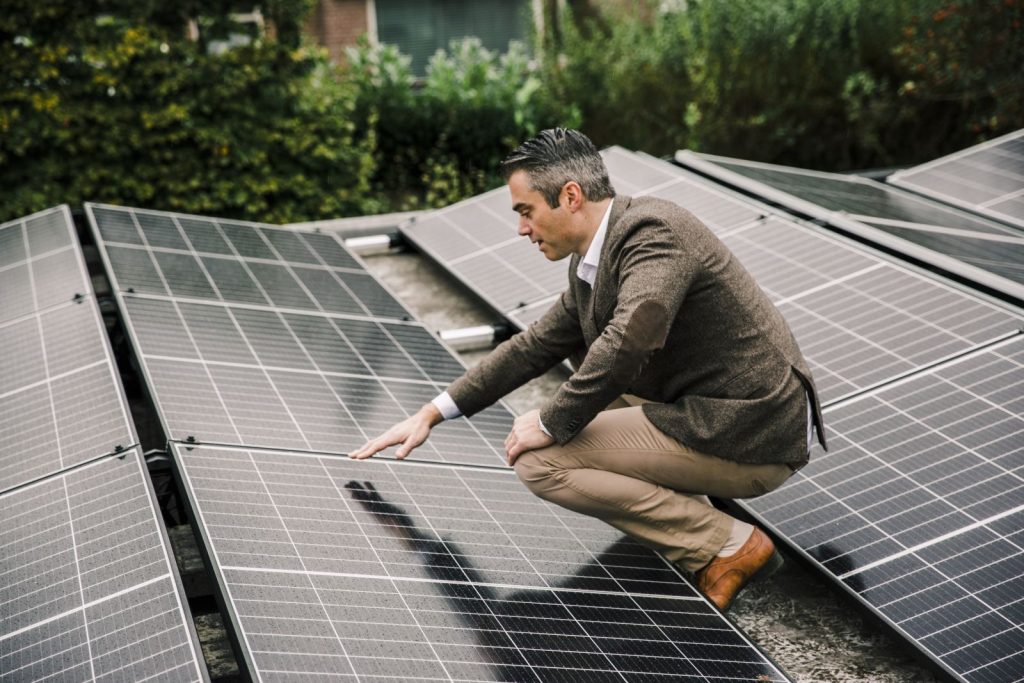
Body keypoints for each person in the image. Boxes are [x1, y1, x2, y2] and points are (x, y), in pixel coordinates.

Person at [350, 128, 827, 610]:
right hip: (713, 412)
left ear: (571, 196)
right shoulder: (594, 262)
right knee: (588, 388)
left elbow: (630, 340)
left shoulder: (654, 234)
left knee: (540, 461)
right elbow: (535, 345)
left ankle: (725, 545)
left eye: (526, 211)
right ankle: (695, 516)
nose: (521, 229)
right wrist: (432, 412)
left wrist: (550, 421)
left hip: (753, 432)